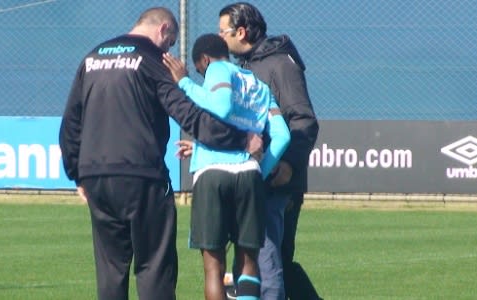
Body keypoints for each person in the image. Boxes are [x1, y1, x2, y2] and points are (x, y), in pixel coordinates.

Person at [59, 7, 263, 300]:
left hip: (96, 176)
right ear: (164, 30)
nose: (169, 50)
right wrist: (240, 139)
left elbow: (71, 122)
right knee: (155, 268)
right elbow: (188, 115)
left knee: (110, 271)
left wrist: (76, 172)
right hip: (142, 176)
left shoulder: (93, 56)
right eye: (170, 43)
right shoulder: (153, 59)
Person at [162, 34, 290, 300]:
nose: (203, 76)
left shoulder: (217, 69)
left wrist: (184, 82)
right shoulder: (259, 86)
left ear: (205, 60)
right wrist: (260, 170)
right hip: (249, 176)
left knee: (214, 267)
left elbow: (220, 107)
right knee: (248, 262)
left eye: (200, 70)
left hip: (213, 174)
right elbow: (283, 136)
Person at [218, 3, 321, 300]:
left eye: (222, 31)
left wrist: (287, 166)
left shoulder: (279, 65)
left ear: (241, 31)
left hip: (277, 183)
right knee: (264, 263)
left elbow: (304, 120)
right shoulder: (247, 65)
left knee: (271, 262)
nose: (218, 38)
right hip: (251, 178)